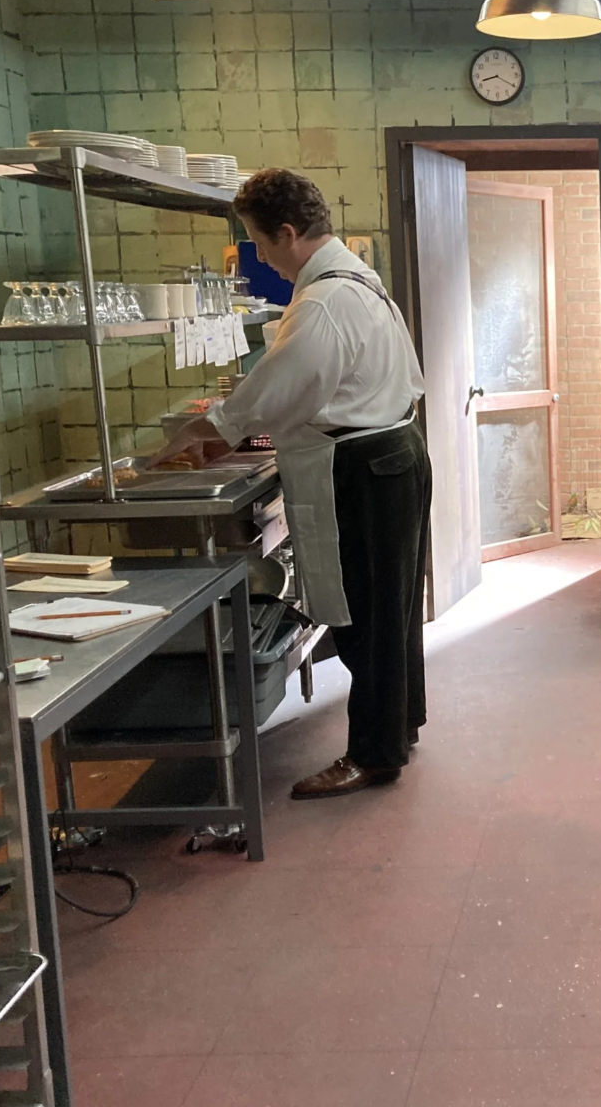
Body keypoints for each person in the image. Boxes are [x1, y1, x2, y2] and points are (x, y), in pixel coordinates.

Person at [153, 169, 431, 800]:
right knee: (391, 609)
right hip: (395, 453)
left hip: (364, 468)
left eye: (262, 245)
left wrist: (208, 430)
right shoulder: (358, 276)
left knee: (366, 615)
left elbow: (280, 384)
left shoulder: (326, 298)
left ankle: (373, 753)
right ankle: (398, 726)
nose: (267, 262)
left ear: (287, 233)